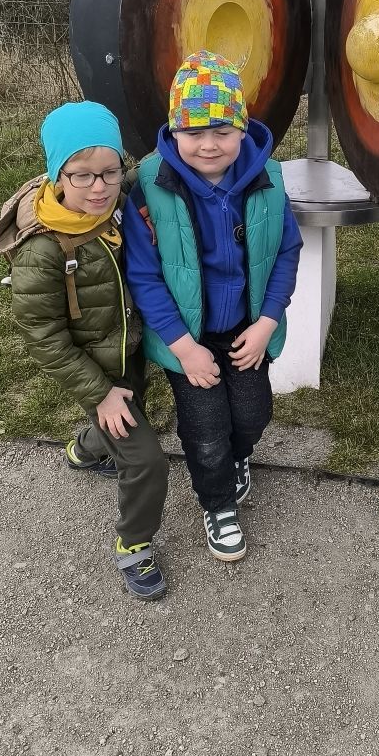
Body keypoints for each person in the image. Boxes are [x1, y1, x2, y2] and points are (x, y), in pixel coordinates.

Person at [124, 51, 301, 563]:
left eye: (222, 130)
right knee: (205, 430)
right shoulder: (149, 186)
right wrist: (184, 348)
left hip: (246, 330)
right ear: (173, 130)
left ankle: (239, 458)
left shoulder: (270, 179)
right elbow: (144, 275)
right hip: (187, 336)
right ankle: (218, 504)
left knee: (253, 414)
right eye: (193, 131)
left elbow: (286, 251)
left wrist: (267, 322)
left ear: (242, 129)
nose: (208, 144)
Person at [0, 102, 169, 601]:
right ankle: (134, 543)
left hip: (127, 350)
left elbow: (155, 164)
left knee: (129, 411)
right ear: (58, 174)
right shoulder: (43, 250)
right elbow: (43, 335)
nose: (99, 187)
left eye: (110, 171)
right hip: (93, 368)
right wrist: (99, 394)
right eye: (82, 175)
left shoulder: (117, 200)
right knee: (147, 461)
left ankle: (84, 450)